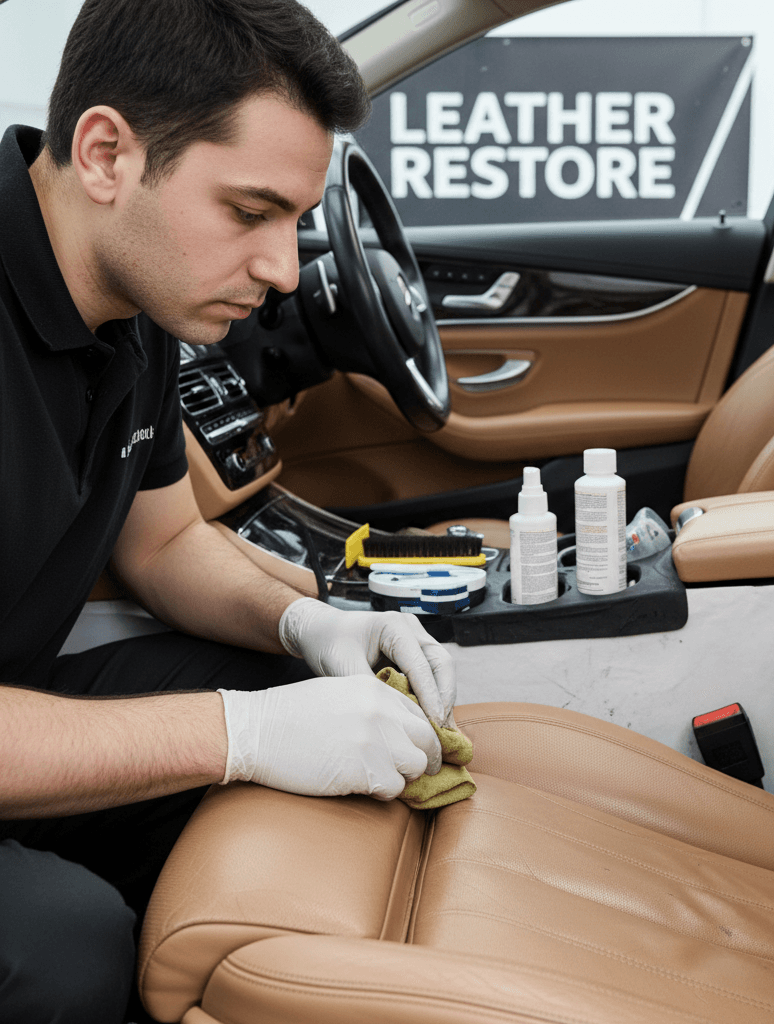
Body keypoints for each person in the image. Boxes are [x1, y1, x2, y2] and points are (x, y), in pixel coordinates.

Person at [0, 1, 455, 1021]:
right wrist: (238, 734)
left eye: (296, 222)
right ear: (108, 153)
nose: (285, 270)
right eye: (250, 213)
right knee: (63, 945)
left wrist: (313, 622)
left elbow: (163, 541)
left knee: (300, 685)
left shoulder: (136, 299)